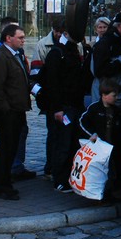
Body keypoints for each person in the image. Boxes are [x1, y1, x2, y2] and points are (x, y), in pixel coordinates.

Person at [0, 23, 32, 200]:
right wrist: (5, 110)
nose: (23, 40)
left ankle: (4, 183)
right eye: (20, 37)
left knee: (11, 149)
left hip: (17, 110)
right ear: (8, 38)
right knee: (4, 150)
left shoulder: (16, 55)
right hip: (8, 113)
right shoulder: (1, 57)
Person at [39, 24, 86, 193]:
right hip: (64, 107)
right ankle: (60, 179)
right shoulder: (57, 53)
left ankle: (68, 176)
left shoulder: (74, 50)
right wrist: (57, 108)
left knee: (72, 143)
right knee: (62, 144)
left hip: (74, 105)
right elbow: (53, 84)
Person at [79, 78, 121, 201]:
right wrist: (91, 134)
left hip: (111, 147)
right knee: (102, 172)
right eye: (114, 95)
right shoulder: (94, 108)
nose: (116, 98)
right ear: (104, 95)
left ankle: (108, 194)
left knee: (111, 172)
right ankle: (104, 196)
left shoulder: (116, 111)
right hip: (100, 147)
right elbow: (82, 122)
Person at [33, 16, 69, 179]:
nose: (60, 36)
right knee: (53, 133)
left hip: (67, 97)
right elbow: (35, 75)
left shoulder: (74, 44)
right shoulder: (43, 45)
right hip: (50, 98)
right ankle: (50, 166)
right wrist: (42, 94)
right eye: (58, 32)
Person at [90, 12, 121, 107]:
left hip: (117, 96)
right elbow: (100, 71)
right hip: (106, 100)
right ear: (120, 25)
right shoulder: (105, 44)